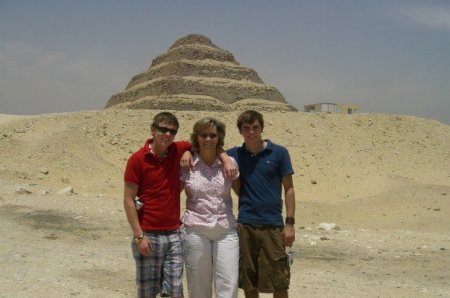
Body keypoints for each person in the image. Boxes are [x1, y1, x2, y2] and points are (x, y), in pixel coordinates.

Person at [123, 112, 236, 298]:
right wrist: (139, 236)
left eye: (172, 131)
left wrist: (224, 158)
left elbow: (205, 142)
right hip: (148, 233)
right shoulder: (137, 159)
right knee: (147, 292)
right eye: (163, 129)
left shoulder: (177, 149)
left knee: (175, 292)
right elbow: (128, 200)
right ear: (153, 130)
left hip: (174, 234)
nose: (167, 134)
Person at [227, 110, 296, 298]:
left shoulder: (279, 153)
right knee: (249, 281)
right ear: (240, 131)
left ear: (262, 128)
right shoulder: (233, 155)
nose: (251, 133)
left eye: (255, 128)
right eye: (246, 129)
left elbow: (289, 189)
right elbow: (205, 148)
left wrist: (289, 223)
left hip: (273, 225)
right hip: (245, 225)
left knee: (279, 281)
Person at [180, 117, 240, 298]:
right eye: (204, 135)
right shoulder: (186, 165)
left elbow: (243, 193)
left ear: (219, 138)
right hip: (196, 229)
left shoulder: (229, 164)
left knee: (228, 285)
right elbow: (171, 193)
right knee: (198, 287)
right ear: (196, 137)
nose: (208, 139)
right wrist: (186, 151)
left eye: (213, 135)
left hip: (225, 229)